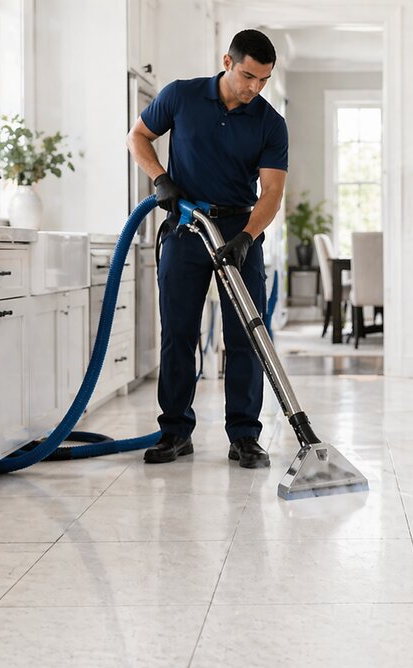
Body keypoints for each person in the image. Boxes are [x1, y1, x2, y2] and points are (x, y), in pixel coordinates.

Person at [126, 29, 287, 468]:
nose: (255, 88)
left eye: (264, 80)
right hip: (185, 228)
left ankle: (245, 437)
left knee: (246, 336)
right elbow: (137, 137)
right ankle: (175, 431)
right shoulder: (181, 96)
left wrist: (247, 237)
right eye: (249, 76)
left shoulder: (270, 122)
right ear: (228, 61)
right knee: (178, 333)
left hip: (240, 229)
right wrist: (161, 179)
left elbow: (271, 192)